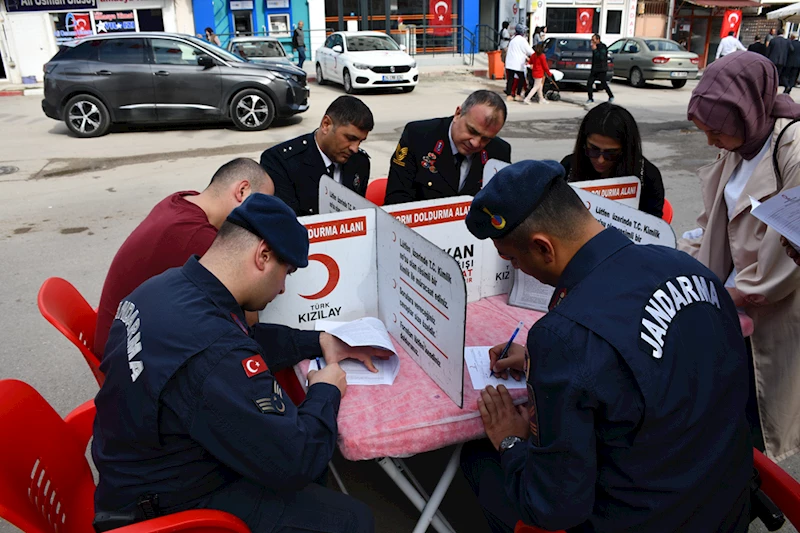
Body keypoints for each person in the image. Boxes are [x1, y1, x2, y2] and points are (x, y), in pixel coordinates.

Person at [460, 160, 752, 533]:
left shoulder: (564, 335)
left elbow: (554, 507)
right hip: (723, 508)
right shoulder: (689, 268)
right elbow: (660, 360)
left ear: (543, 247)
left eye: (515, 260)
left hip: (642, 520)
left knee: (476, 460)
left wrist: (512, 442)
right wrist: (544, 362)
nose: (520, 269)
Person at [92, 194, 379, 533]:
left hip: (135, 466)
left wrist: (318, 340)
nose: (284, 288)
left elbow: (243, 337)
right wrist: (325, 390)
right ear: (263, 256)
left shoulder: (167, 287)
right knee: (352, 519)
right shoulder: (212, 352)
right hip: (163, 505)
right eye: (285, 272)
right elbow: (297, 458)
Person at [682, 51, 800, 460]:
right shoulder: (741, 142)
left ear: (746, 110)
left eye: (716, 130)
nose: (711, 140)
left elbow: (785, 258)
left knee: (756, 411)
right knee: (724, 404)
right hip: (730, 295)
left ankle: (750, 494)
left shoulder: (793, 149)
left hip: (768, 305)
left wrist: (724, 293)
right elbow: (712, 220)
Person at [94, 159, 275, 357]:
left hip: (122, 329)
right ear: (242, 191)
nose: (262, 219)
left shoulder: (183, 200)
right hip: (127, 354)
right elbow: (249, 322)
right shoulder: (198, 237)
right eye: (262, 206)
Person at [384, 90, 511, 205]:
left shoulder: (499, 152)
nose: (476, 143)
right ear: (458, 114)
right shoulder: (418, 136)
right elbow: (397, 199)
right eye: (472, 131)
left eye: (486, 138)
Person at [260, 95, 373, 216]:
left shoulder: (360, 162)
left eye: (360, 141)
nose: (355, 149)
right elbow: (284, 223)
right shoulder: (281, 162)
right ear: (326, 124)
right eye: (350, 138)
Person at [560, 103, 664, 218]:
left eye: (611, 153)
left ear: (626, 150)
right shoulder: (569, 166)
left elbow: (653, 228)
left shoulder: (647, 175)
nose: (601, 160)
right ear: (583, 143)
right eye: (593, 150)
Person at [504, 24, 533, 101]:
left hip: (509, 63)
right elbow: (530, 51)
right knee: (521, 79)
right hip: (517, 64)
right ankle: (518, 94)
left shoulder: (513, 39)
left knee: (510, 79)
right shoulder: (522, 40)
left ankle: (509, 95)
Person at [587, 33, 613, 105]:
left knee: (603, 83)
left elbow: (601, 58)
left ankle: (611, 96)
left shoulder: (603, 47)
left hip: (601, 69)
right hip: (594, 69)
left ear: (598, 40)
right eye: (591, 40)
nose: (592, 41)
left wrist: (595, 50)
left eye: (593, 40)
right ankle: (590, 98)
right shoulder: (593, 46)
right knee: (589, 83)